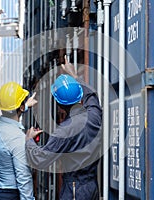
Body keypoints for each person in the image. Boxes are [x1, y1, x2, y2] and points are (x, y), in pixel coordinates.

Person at [25, 56, 103, 200]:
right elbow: (91, 95)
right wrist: (75, 76)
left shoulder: (65, 131)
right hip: (92, 186)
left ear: (59, 104)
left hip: (74, 189)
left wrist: (29, 141)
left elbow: (40, 159)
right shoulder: (94, 114)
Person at [0, 82, 41, 200]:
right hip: (10, 195)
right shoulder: (19, 140)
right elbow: (23, 178)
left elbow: (10, 115)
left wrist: (25, 106)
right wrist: (28, 141)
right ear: (20, 107)